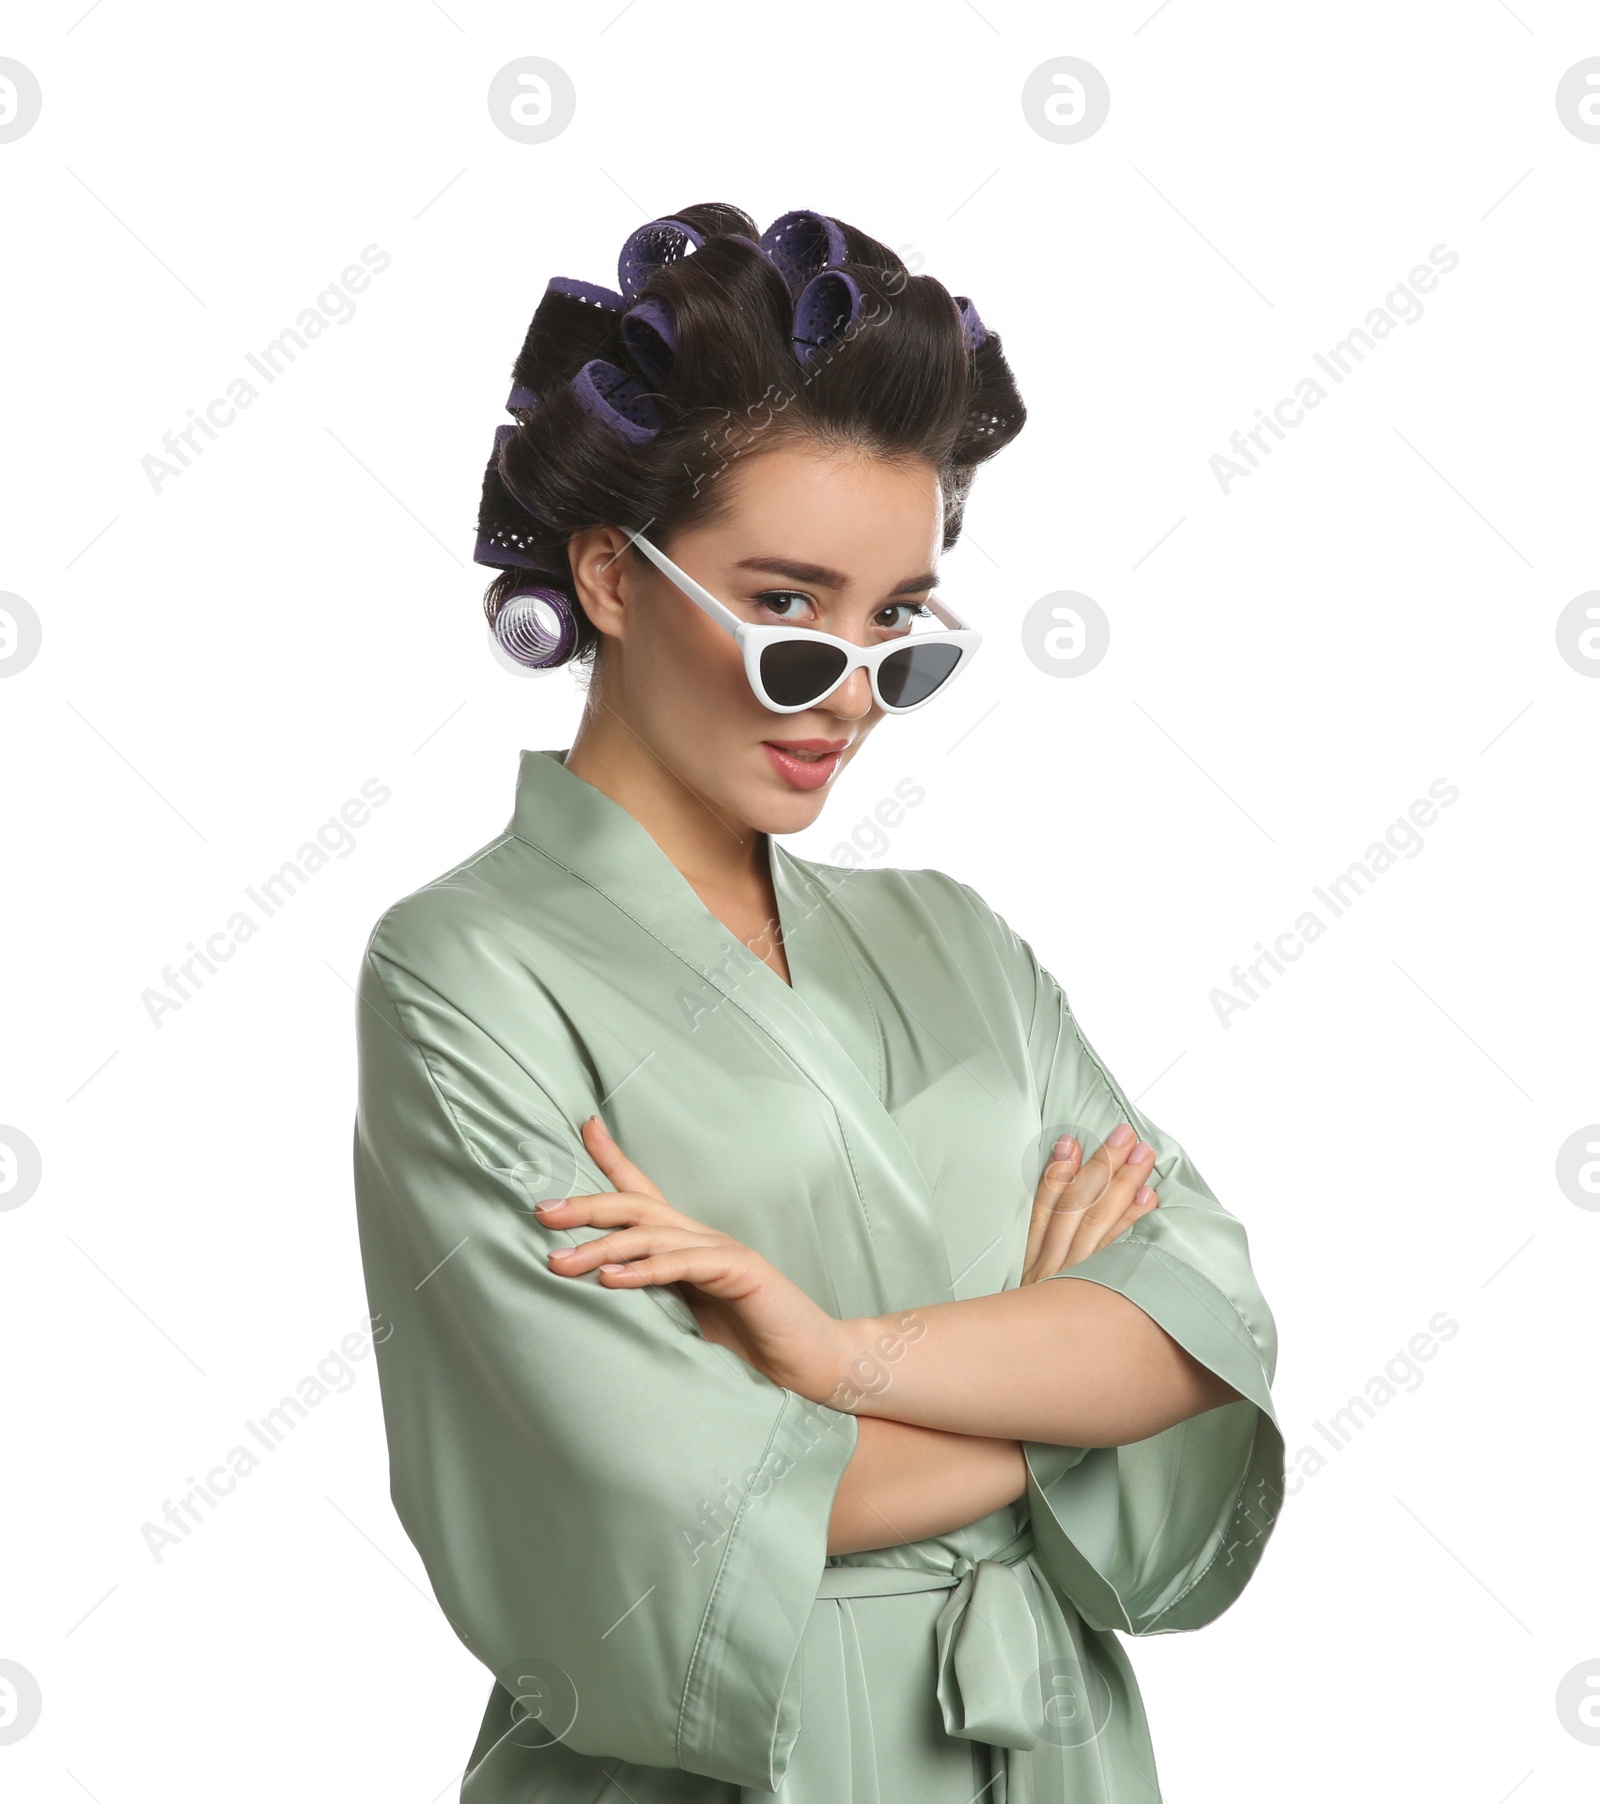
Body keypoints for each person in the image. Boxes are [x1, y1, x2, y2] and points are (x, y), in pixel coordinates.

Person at [351, 202, 1284, 1804]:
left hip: (1050, 1737)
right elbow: (654, 1486)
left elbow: (1204, 1331)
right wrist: (1047, 1393)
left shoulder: (957, 941)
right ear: (613, 580)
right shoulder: (464, 971)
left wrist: (827, 1355)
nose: (850, 693)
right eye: (786, 616)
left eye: (895, 627)